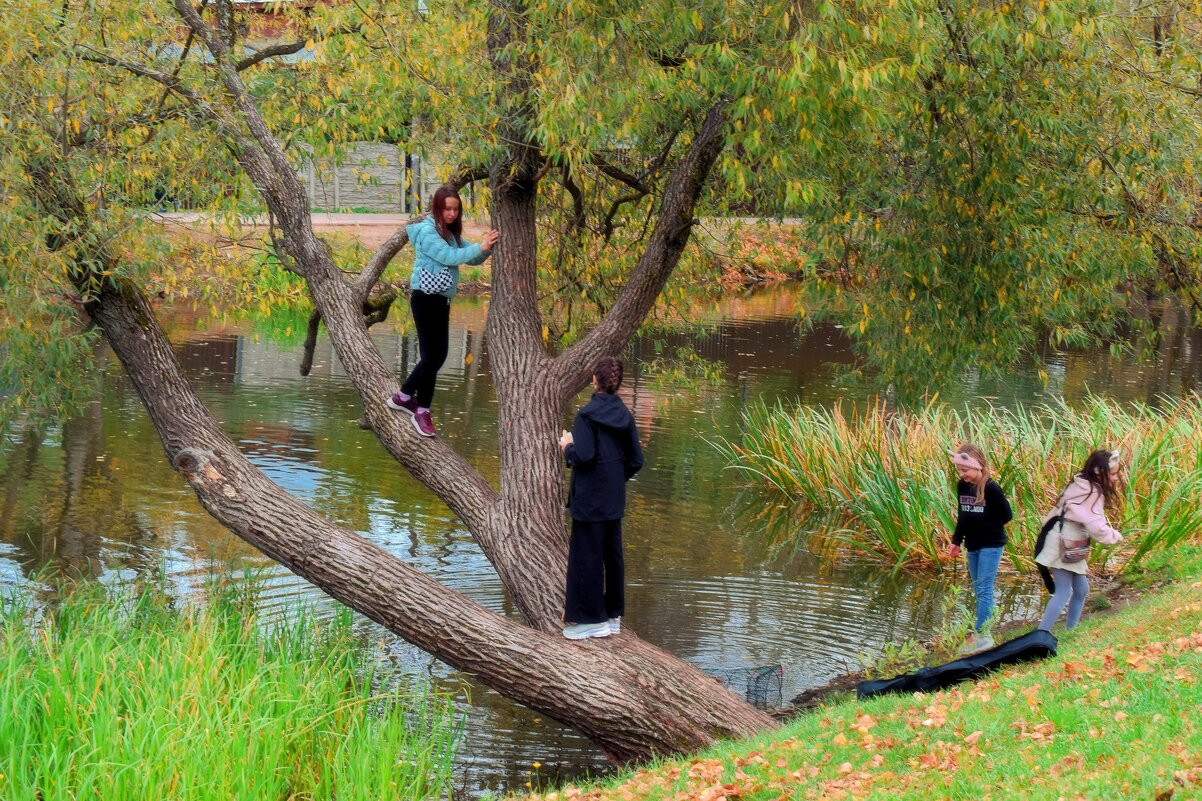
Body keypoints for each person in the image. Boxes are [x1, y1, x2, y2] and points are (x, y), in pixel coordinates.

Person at [388, 185, 499, 437]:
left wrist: (488, 246)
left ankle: (403, 396)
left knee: (438, 356)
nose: (451, 213)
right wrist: (480, 247)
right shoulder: (428, 232)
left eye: (455, 209)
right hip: (424, 299)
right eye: (447, 209)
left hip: (440, 300)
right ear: (437, 208)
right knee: (431, 357)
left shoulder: (449, 233)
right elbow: (449, 257)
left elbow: (469, 257)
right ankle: (421, 411)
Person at [558, 357, 644, 640]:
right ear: (616, 384)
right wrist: (615, 481)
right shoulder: (625, 417)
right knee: (612, 556)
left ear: (595, 380)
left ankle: (591, 620)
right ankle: (612, 615)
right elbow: (635, 460)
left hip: (589, 501)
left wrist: (567, 446)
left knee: (587, 557)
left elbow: (583, 456)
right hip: (612, 500)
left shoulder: (587, 416)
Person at [1036, 449, 1124, 632]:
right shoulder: (1091, 492)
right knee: (1063, 592)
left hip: (1070, 543)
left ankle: (1071, 630)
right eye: (1113, 474)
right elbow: (1096, 526)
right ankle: (1040, 635)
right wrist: (1115, 537)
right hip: (1064, 544)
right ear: (1101, 473)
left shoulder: (1081, 484)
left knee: (1081, 590)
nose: (1116, 478)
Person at [946, 443, 1013, 653]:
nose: (962, 474)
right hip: (972, 545)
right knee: (978, 589)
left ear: (978, 466)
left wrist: (987, 522)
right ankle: (981, 631)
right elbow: (963, 515)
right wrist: (956, 541)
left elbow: (1007, 515)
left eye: (965, 470)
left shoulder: (991, 488)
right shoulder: (962, 486)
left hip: (991, 545)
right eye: (960, 470)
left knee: (984, 589)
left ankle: (983, 635)